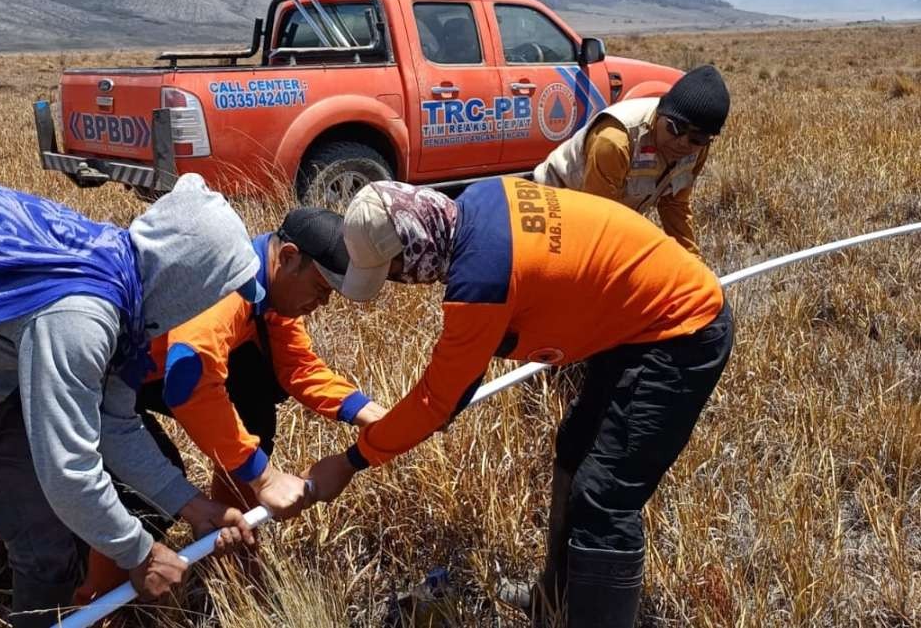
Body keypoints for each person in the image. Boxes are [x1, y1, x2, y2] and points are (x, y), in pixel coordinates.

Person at [306, 177, 734, 628]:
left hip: (684, 330)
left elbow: (438, 401)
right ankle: (553, 603)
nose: (399, 283)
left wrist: (352, 460)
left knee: (604, 498)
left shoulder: (480, 280)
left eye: (393, 271)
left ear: (414, 247)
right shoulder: (480, 199)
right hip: (636, 323)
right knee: (574, 447)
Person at [0, 174, 260, 628]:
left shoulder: (125, 292)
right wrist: (140, 554)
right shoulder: (82, 318)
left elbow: (114, 426)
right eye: (216, 295)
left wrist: (196, 508)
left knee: (50, 551)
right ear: (188, 282)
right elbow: (70, 471)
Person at [75, 207, 386, 601]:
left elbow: (296, 364)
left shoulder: (271, 297)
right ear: (288, 257)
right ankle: (98, 600)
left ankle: (229, 535)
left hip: (155, 369)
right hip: (108, 379)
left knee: (255, 394)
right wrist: (265, 477)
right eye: (321, 290)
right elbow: (188, 384)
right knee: (150, 483)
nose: (322, 304)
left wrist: (365, 412)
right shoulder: (227, 286)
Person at [532, 64, 730, 257]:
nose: (683, 143)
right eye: (675, 128)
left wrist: (692, 263)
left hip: (603, 219)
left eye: (698, 138)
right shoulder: (615, 140)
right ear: (660, 113)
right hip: (554, 214)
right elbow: (599, 221)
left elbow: (674, 205)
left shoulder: (697, 150)